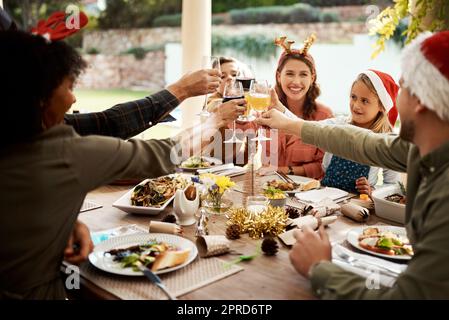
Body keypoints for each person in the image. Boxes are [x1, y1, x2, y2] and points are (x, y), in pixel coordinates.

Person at [0, 29, 226, 299]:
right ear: (39, 100)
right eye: (69, 87)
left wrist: (68, 223)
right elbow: (166, 153)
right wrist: (214, 121)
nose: (74, 99)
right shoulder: (64, 154)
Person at [256, 31, 449, 299]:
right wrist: (288, 123)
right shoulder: (420, 148)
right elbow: (358, 142)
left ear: (419, 102)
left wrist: (319, 268)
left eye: (403, 88)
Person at [0, 7, 221, 140]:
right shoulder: (28, 133)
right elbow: (111, 128)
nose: (73, 97)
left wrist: (180, 90)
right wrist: (182, 91)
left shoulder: (34, 125)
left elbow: (106, 123)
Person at [281, 70, 401, 195]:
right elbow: (305, 126)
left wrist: (373, 190)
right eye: (353, 97)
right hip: (324, 196)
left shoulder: (385, 140)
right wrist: (281, 109)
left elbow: (393, 184)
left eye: (365, 101)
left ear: (382, 106)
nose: (356, 105)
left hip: (358, 204)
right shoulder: (339, 125)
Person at [249, 35, 334, 178]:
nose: (296, 81)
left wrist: (283, 170)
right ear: (278, 76)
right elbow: (246, 151)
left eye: (303, 75)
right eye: (289, 74)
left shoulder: (324, 116)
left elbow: (324, 166)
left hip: (307, 191)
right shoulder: (265, 110)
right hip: (269, 188)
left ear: (312, 78)